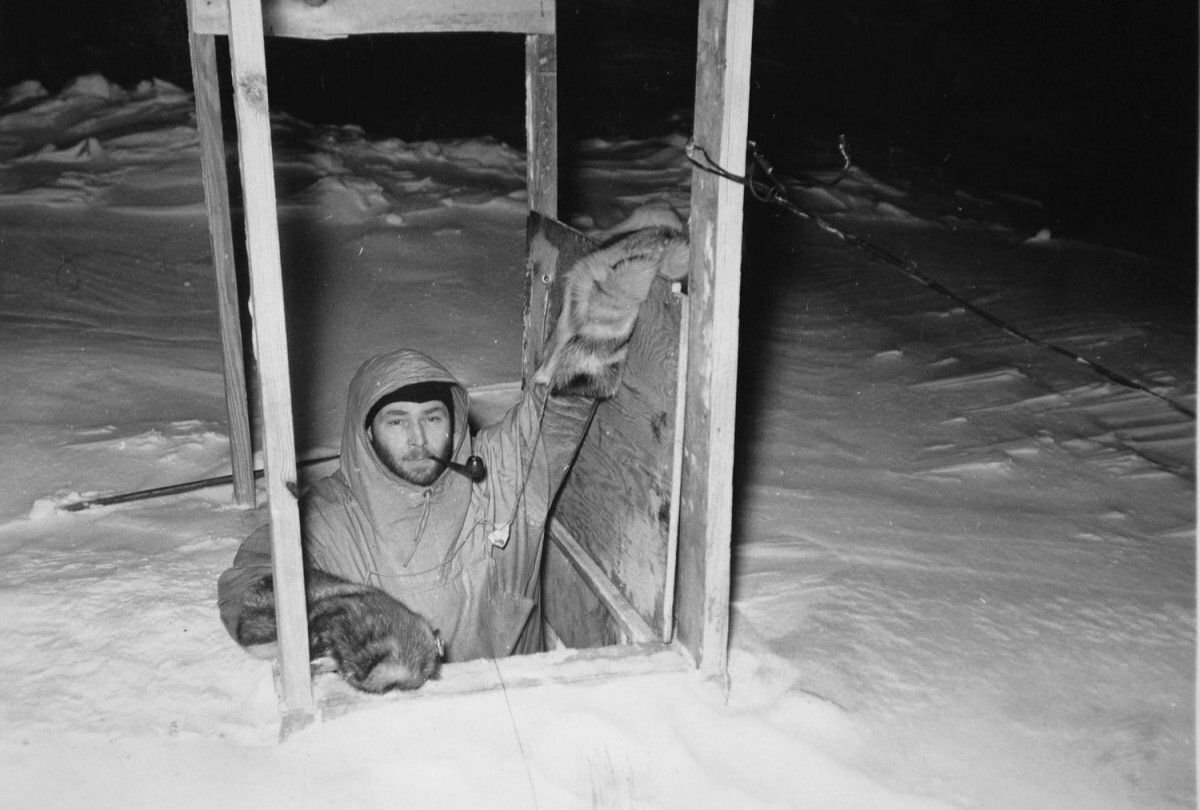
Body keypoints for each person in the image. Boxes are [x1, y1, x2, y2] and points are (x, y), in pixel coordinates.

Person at [216, 223, 688, 690]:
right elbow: (251, 589)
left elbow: (563, 398)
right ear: (366, 432)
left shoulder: (499, 473)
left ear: (456, 420)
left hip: (521, 711)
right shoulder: (332, 516)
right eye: (396, 421)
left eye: (433, 418)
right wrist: (353, 614)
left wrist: (626, 277)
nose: (418, 439)